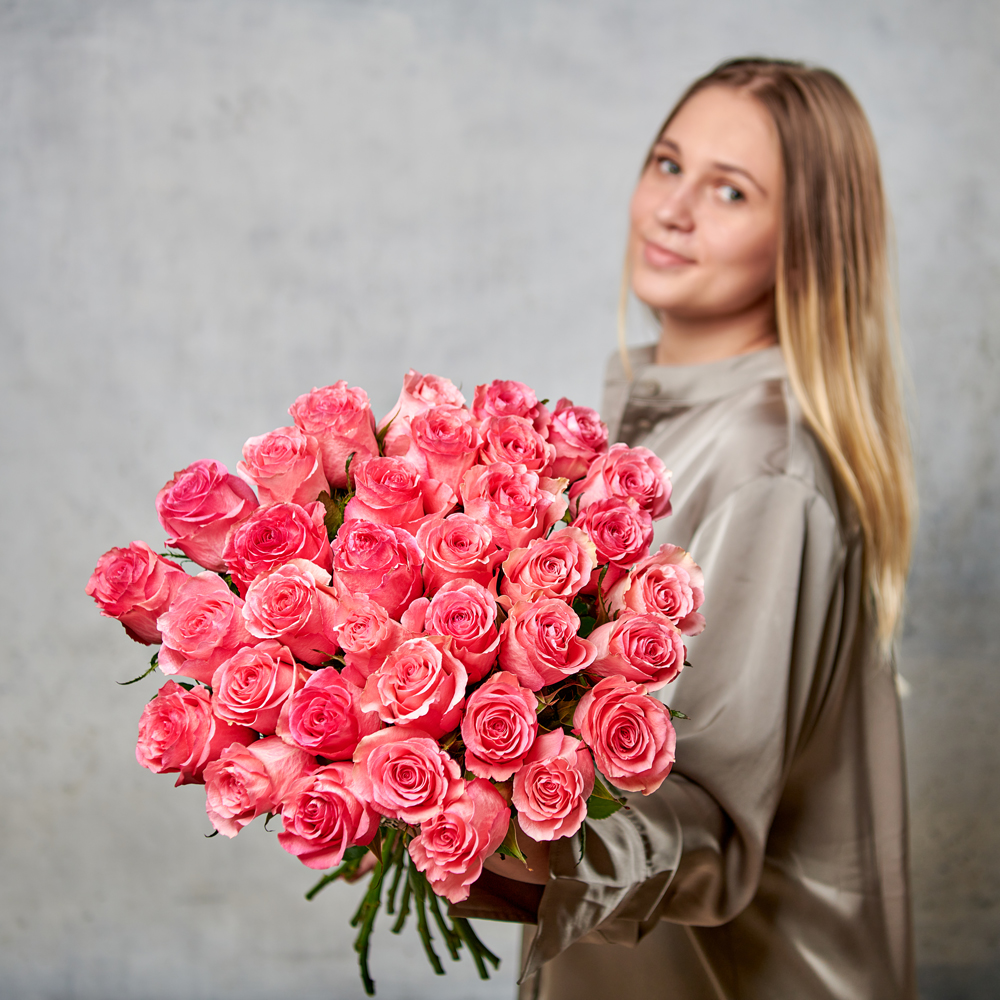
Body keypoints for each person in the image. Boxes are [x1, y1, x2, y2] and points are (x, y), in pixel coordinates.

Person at [456, 58, 918, 999]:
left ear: (805, 242)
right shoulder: (656, 425)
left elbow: (708, 831)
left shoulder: (764, 467)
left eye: (730, 191)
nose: (673, 210)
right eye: (668, 165)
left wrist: (457, 810)